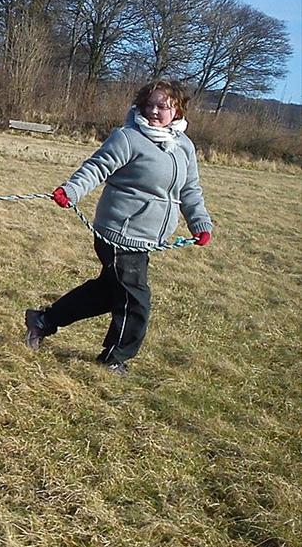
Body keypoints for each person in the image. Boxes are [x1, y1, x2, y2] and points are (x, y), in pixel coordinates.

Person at [25, 79, 213, 374]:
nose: (153, 111)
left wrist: (200, 223)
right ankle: (115, 358)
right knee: (136, 299)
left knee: (108, 293)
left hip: (148, 237)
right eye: (148, 104)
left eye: (162, 106)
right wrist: (71, 191)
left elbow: (190, 189)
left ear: (177, 110)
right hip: (120, 233)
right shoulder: (128, 137)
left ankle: (43, 321)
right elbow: (97, 166)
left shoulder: (183, 146)